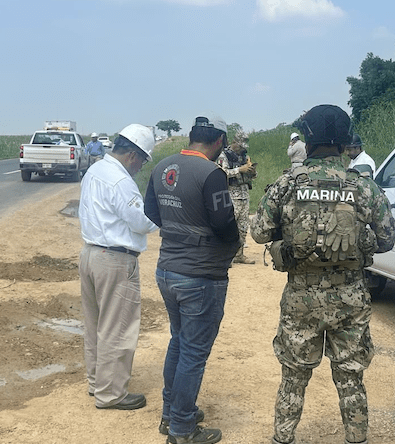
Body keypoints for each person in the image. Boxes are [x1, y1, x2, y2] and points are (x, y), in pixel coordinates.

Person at [251, 104, 395, 444]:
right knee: (351, 377)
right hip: (350, 299)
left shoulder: (288, 184)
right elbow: (387, 239)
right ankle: (356, 438)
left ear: (307, 140)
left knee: (293, 377)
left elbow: (258, 232)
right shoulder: (363, 187)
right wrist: (358, 240)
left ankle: (282, 438)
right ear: (345, 142)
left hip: (301, 298)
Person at [144, 115, 240, 444]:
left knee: (179, 342)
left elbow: (151, 211)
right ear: (219, 141)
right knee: (193, 353)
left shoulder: (162, 166)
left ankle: (170, 414)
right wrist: (231, 246)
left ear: (191, 136)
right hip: (200, 275)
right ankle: (182, 429)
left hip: (167, 270)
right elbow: (224, 224)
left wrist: (178, 232)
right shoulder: (211, 173)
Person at [78, 124, 158, 410]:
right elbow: (140, 221)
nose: (140, 167)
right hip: (115, 259)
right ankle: (111, 393)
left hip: (90, 254)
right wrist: (162, 217)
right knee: (117, 327)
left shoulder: (95, 170)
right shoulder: (121, 180)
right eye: (143, 161)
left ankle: (96, 382)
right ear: (133, 155)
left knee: (95, 325)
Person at [216, 129, 256, 264]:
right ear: (235, 142)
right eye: (240, 146)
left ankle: (239, 255)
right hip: (231, 195)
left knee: (243, 227)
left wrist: (251, 171)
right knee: (230, 226)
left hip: (244, 194)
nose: (242, 149)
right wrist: (239, 169)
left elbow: (252, 176)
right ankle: (227, 256)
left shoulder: (244, 156)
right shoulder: (224, 155)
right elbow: (221, 173)